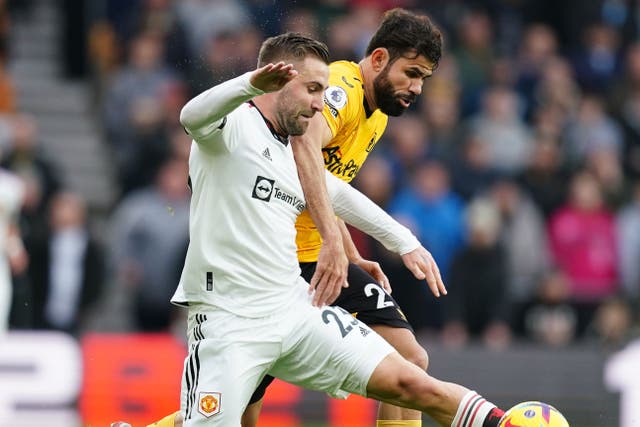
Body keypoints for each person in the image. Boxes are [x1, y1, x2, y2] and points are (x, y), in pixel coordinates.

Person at [140, 32, 506, 427]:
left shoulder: (290, 150)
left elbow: (339, 196)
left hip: (294, 309)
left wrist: (404, 243)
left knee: (409, 377)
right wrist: (248, 83)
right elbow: (190, 116)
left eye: (323, 91)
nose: (319, 103)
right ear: (274, 81)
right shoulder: (230, 128)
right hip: (229, 323)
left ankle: (506, 422)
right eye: (313, 89)